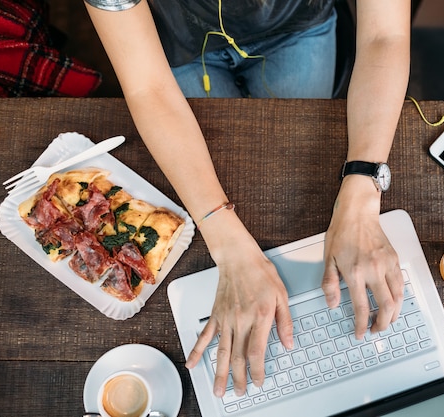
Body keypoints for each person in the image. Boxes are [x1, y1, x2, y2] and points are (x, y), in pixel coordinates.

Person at [84, 0, 410, 398]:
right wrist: (229, 246)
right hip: (179, 47)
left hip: (298, 29)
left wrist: (362, 190)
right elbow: (147, 86)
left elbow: (385, 35)